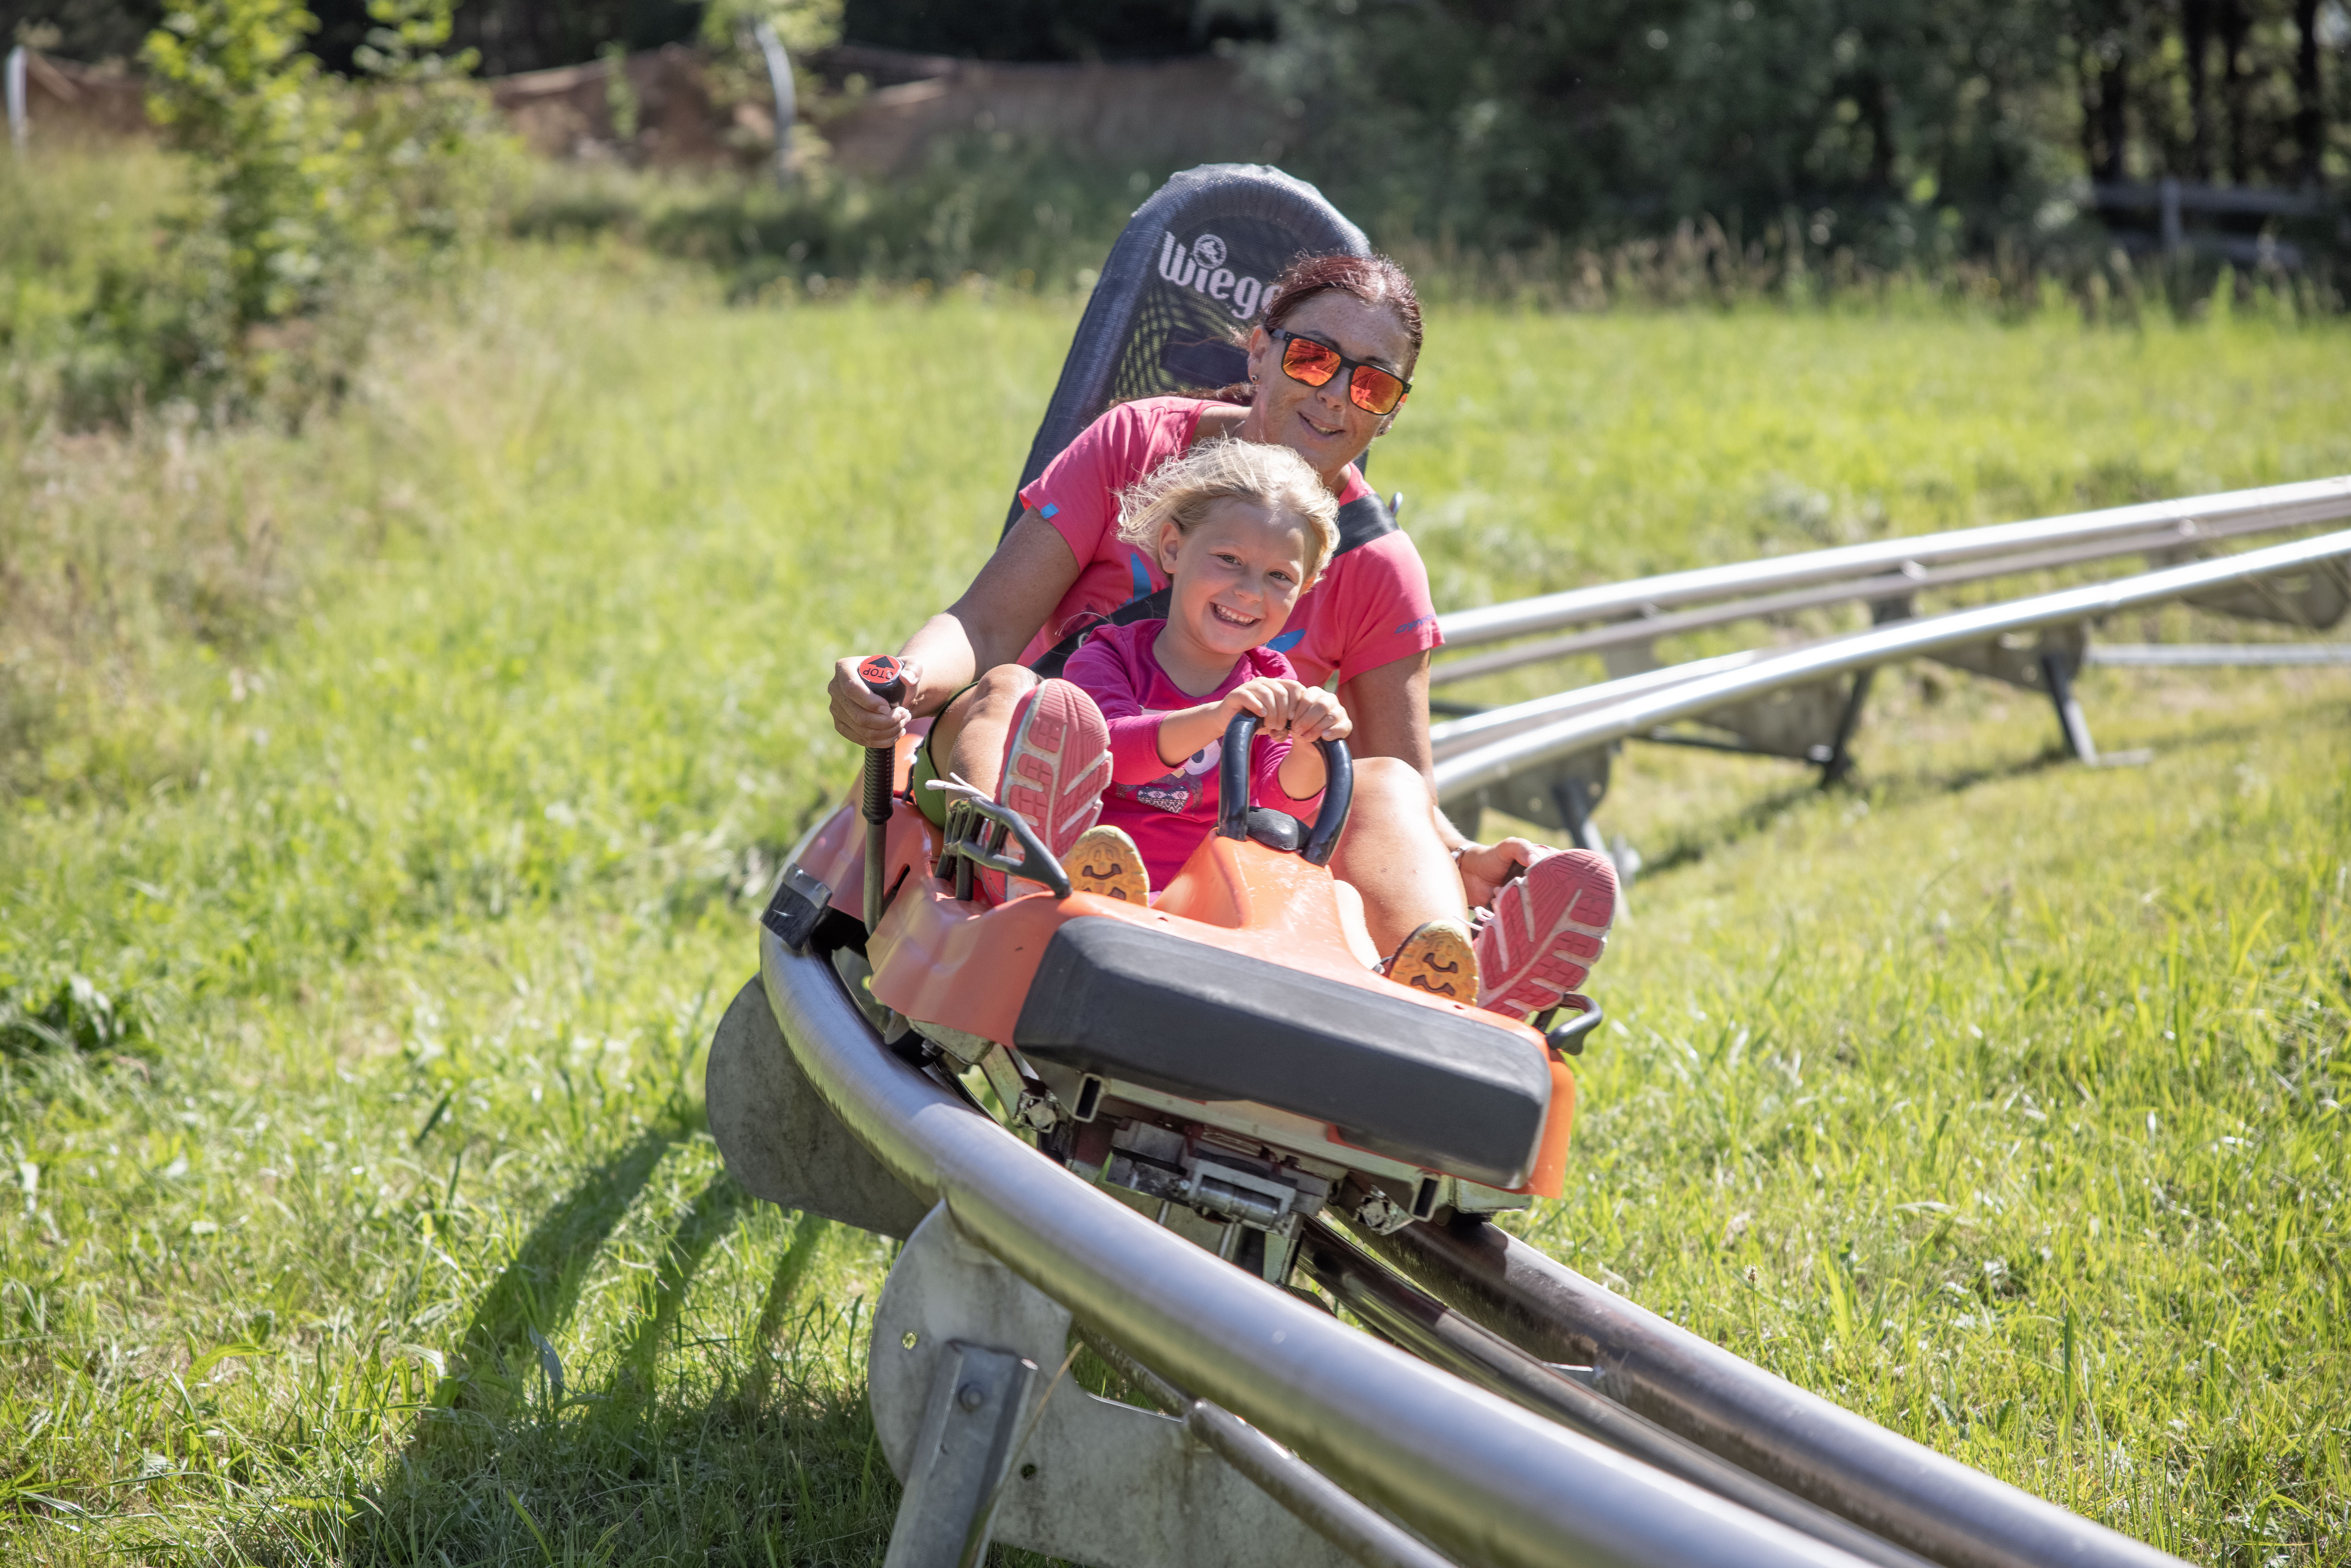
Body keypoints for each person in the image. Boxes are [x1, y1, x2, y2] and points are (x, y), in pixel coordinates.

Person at [831, 251, 1616, 1016]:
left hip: (1220, 831)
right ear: (1260, 350)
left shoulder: (1374, 566)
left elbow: (1389, 786)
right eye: (1313, 358)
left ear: (1392, 409)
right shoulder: (1136, 446)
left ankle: (1447, 990)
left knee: (1387, 786)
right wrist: (900, 676)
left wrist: (1465, 861)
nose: (1338, 396)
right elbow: (989, 622)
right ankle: (1036, 881)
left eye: (1372, 382)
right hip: (1059, 758)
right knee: (1014, 694)